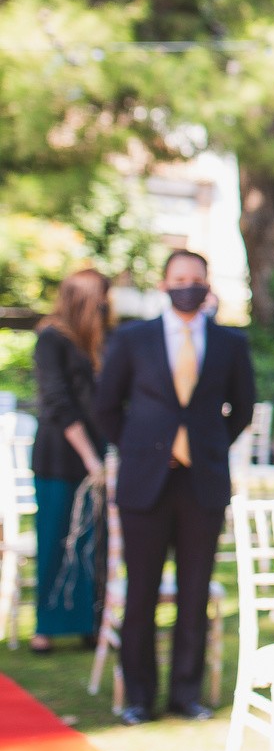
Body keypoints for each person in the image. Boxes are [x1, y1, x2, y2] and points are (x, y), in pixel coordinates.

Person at [95, 249, 255, 725]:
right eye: (179, 279)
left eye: (196, 279)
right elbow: (106, 406)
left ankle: (186, 693)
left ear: (207, 284)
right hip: (145, 483)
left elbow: (242, 408)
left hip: (202, 483)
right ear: (164, 284)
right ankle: (138, 696)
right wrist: (140, 449)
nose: (188, 286)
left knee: (194, 593)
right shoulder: (132, 338)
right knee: (141, 593)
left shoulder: (230, 342)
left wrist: (206, 448)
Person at [30, 268, 111, 652]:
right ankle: (45, 626)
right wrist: (90, 458)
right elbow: (57, 400)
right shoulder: (51, 338)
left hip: (98, 454)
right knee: (55, 538)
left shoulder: (103, 341)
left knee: (94, 543)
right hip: (60, 457)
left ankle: (89, 622)